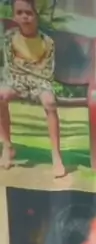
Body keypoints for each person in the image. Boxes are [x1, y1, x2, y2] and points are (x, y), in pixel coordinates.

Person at [0, 0, 65, 177]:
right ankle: (7, 146)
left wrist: (31, 80)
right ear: (14, 16)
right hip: (17, 80)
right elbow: (10, 67)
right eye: (19, 13)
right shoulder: (9, 38)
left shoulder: (47, 42)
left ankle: (56, 156)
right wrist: (22, 80)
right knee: (1, 95)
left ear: (37, 15)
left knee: (49, 102)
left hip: (40, 81)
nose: (24, 17)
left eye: (29, 13)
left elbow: (46, 71)